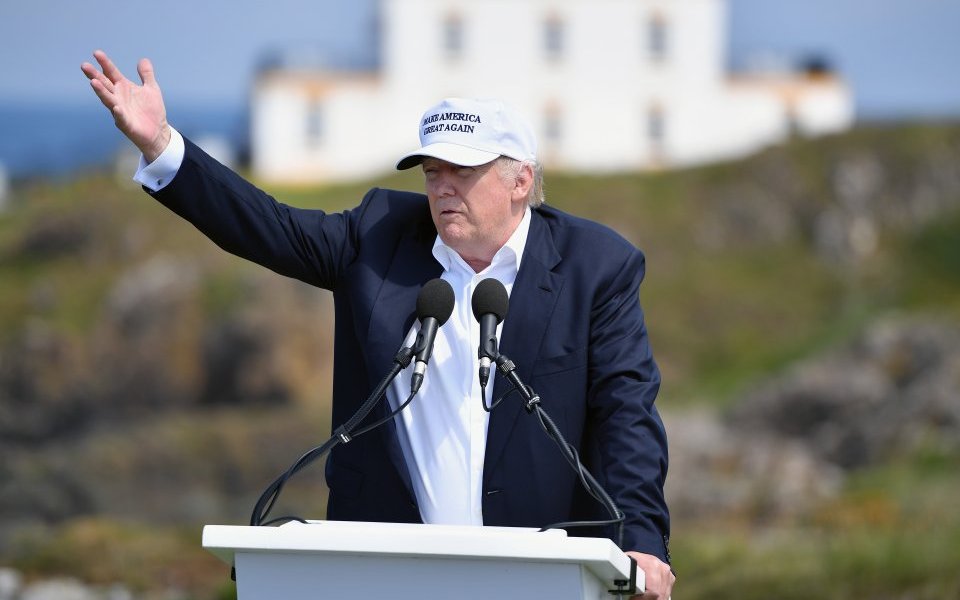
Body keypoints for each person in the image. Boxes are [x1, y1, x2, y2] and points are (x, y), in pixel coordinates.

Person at [81, 50, 675, 599]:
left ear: (520, 181)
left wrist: (643, 541)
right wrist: (161, 143)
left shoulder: (597, 266)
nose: (442, 187)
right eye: (431, 170)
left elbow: (628, 413)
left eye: (462, 172)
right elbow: (268, 227)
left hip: (540, 573)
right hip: (390, 569)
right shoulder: (379, 236)